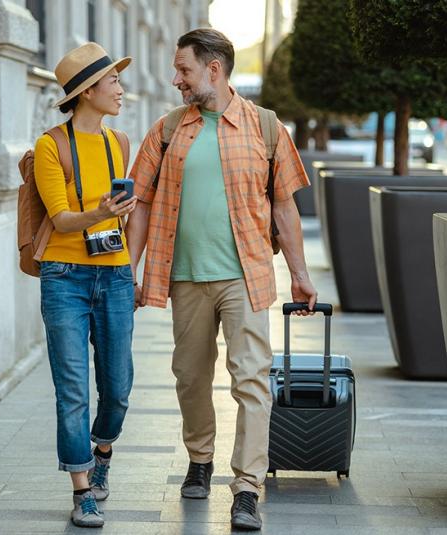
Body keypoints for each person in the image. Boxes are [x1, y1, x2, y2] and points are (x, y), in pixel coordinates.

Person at [125, 28, 317, 531]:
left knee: (252, 380)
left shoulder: (266, 128)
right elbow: (140, 203)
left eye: (184, 70)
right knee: (190, 377)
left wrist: (300, 274)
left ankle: (247, 487)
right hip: (184, 277)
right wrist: (130, 267)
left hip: (245, 276)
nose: (176, 80)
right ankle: (200, 458)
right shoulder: (167, 130)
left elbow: (284, 205)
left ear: (214, 69)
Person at [33, 42, 139, 528]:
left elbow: (122, 213)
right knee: (72, 388)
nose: (121, 89)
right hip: (65, 277)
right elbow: (60, 218)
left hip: (114, 274)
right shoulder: (50, 146)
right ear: (88, 91)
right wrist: (100, 211)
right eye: (113, 81)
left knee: (117, 387)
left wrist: (123, 223)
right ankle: (82, 491)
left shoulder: (119, 143)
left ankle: (103, 452)